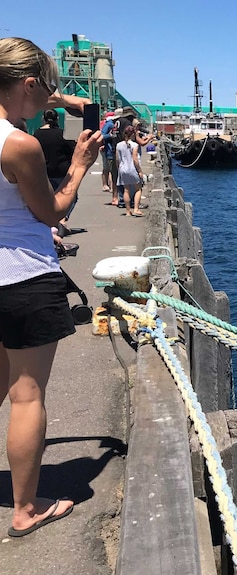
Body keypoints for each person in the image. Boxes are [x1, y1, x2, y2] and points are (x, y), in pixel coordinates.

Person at [0, 37, 102, 537]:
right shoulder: (19, 145)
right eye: (48, 88)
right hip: (22, 276)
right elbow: (52, 213)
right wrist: (81, 165)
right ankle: (25, 509)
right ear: (28, 84)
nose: (53, 98)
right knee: (27, 394)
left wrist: (57, 101)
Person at [32, 109, 77, 233]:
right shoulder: (61, 133)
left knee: (50, 197)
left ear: (43, 118)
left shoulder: (37, 134)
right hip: (62, 170)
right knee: (71, 196)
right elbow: (71, 150)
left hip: (45, 171)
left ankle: (53, 222)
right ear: (57, 119)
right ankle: (62, 219)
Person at [116, 124, 144, 216]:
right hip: (132, 168)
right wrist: (140, 171)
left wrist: (118, 168)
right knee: (138, 189)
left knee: (126, 190)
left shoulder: (118, 145)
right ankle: (136, 209)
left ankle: (128, 211)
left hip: (122, 168)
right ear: (133, 134)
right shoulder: (134, 145)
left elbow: (117, 159)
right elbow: (135, 159)